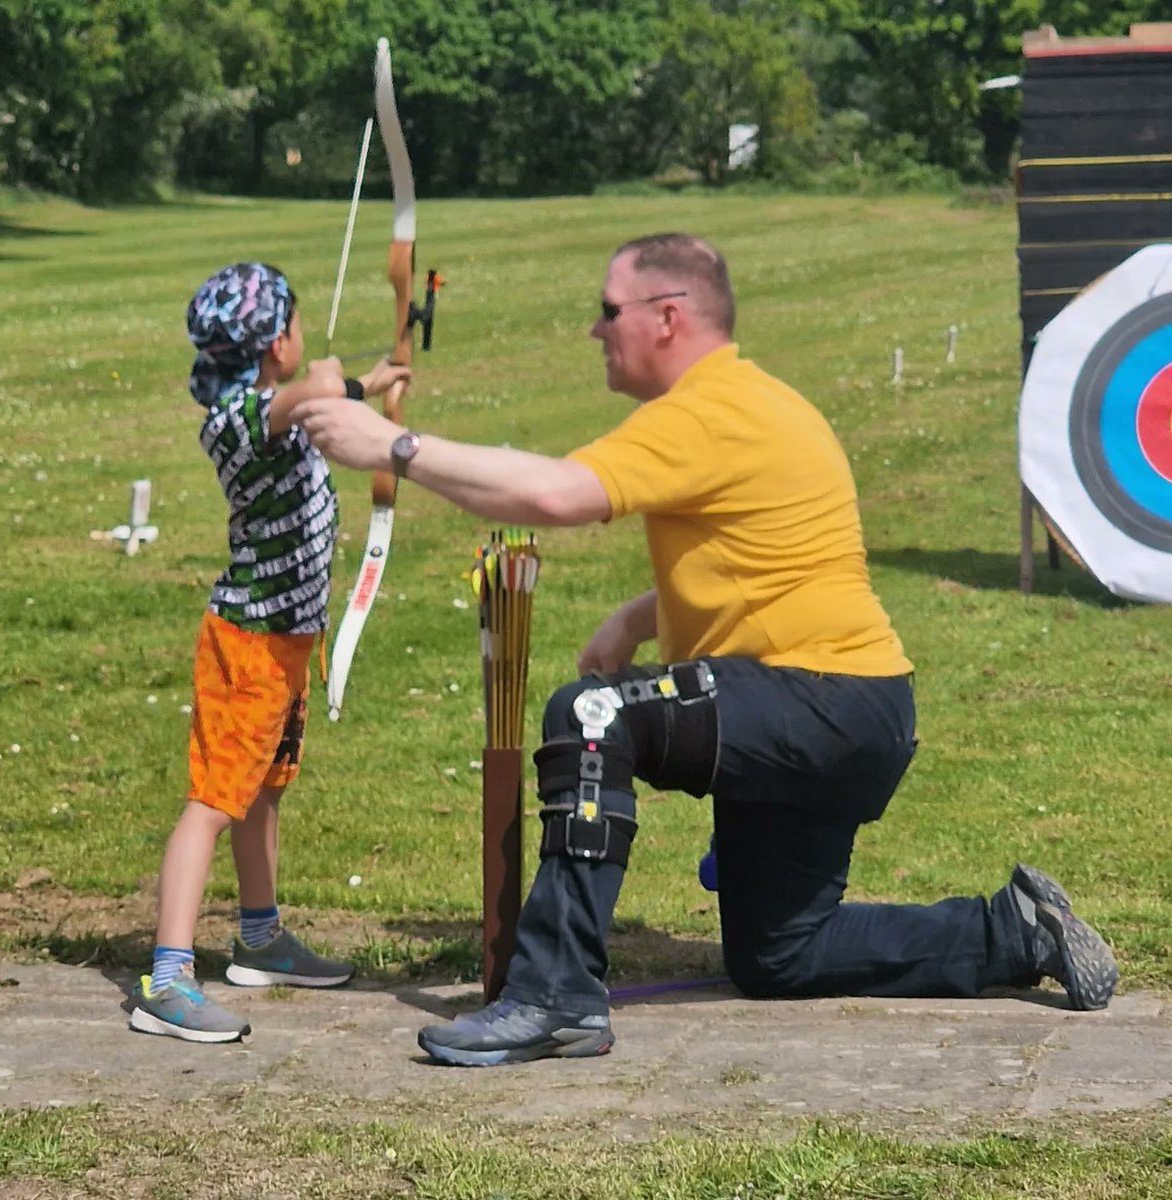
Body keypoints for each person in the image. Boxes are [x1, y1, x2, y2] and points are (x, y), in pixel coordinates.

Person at [296, 233, 1119, 1067]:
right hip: (857, 708)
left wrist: (390, 445)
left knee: (589, 713)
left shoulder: (705, 411)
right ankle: (1012, 931)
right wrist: (638, 616)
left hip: (817, 698)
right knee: (780, 955)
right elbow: (769, 554)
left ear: (667, 317)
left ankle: (554, 995)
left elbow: (556, 494)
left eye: (607, 311)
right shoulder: (759, 402)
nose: (594, 330)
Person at [128, 261, 410, 1043]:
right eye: (294, 324)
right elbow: (298, 400)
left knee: (261, 792)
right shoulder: (239, 419)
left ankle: (259, 940)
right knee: (213, 802)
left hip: (286, 642)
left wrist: (368, 381)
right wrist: (332, 381)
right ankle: (168, 977)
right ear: (275, 343)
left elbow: (312, 398)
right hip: (247, 646)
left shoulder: (260, 407)